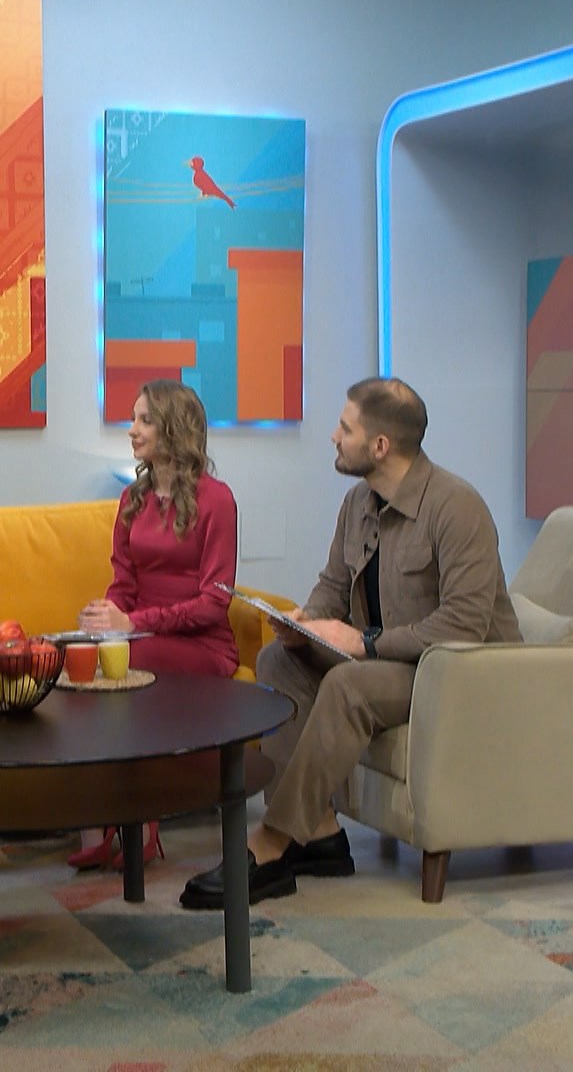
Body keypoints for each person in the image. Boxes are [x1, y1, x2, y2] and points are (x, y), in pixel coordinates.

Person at [179, 377, 522, 910]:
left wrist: (363, 641)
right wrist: (305, 622)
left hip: (456, 674)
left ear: (379, 445)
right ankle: (318, 834)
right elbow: (333, 587)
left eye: (345, 428)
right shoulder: (359, 502)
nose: (334, 437)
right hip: (390, 662)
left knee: (347, 684)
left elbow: (464, 626)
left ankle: (271, 842)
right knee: (278, 660)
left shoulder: (458, 508)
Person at [71, 379, 239, 870]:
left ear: (174, 428)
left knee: (128, 660)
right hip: (141, 633)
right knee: (80, 658)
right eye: (133, 418)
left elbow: (214, 604)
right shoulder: (132, 499)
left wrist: (131, 624)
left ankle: (142, 823)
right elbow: (123, 583)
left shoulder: (217, 500)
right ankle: (97, 821)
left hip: (202, 645)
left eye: (144, 420)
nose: (132, 429)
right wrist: (104, 619)